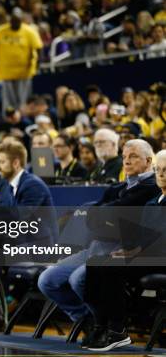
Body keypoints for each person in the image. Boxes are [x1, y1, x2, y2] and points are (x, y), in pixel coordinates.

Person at [38, 139, 160, 337]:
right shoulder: (116, 188)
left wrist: (104, 217)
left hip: (120, 249)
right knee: (47, 280)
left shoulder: (153, 188)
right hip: (96, 245)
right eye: (124, 157)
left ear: (148, 160)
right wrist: (104, 218)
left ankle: (103, 324)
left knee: (79, 279)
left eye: (133, 156)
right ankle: (87, 319)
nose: (127, 161)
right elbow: (93, 216)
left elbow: (116, 215)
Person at [83, 150, 166, 351]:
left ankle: (118, 330)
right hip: (148, 256)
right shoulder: (152, 202)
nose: (161, 175)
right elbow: (143, 236)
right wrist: (129, 249)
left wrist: (137, 251)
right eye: (158, 170)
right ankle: (101, 325)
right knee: (95, 262)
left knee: (113, 268)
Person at [0, 7, 42, 114]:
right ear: (10, 19)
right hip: (6, 71)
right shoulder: (0, 31)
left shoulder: (29, 31)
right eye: (13, 20)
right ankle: (9, 119)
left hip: (24, 71)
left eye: (17, 20)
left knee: (23, 101)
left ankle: (24, 118)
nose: (15, 22)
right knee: (9, 102)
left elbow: (38, 48)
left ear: (21, 20)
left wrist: (38, 64)